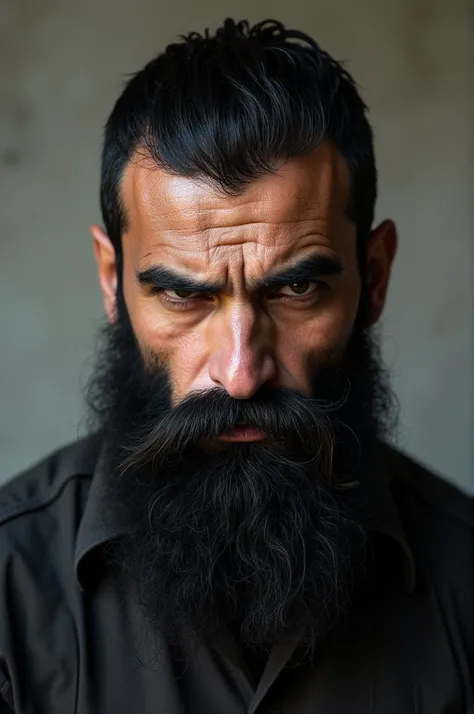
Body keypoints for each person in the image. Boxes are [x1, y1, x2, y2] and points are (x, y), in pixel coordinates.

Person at [0, 17, 472, 714]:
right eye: (185, 295)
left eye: (296, 289)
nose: (241, 373)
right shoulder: (8, 599)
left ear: (374, 276)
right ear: (111, 279)